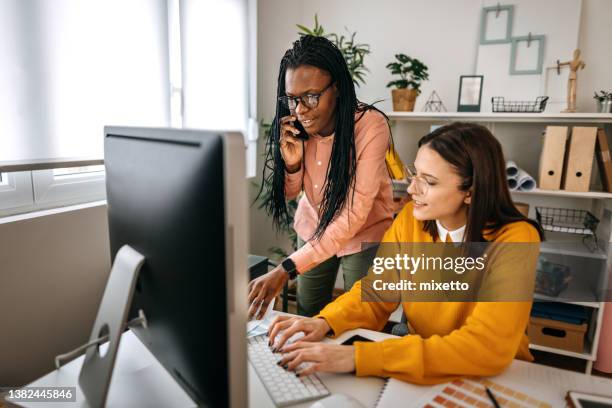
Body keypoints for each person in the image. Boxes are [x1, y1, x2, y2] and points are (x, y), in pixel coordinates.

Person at [266, 122, 544, 384]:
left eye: (430, 182)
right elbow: (377, 293)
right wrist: (325, 322)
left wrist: (357, 357)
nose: (412, 189)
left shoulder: (516, 239)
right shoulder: (412, 218)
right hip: (425, 364)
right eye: (415, 175)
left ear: (470, 191)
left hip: (492, 376)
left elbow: (486, 346)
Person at [249, 35, 394, 318]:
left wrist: (286, 268)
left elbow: (354, 215)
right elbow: (290, 194)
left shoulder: (370, 127)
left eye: (311, 96)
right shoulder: (297, 127)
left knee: (360, 319)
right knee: (307, 311)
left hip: (364, 232)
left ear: (337, 87)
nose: (301, 110)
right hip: (314, 227)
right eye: (292, 99)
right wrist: (292, 165)